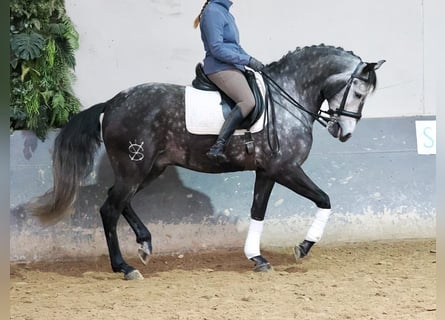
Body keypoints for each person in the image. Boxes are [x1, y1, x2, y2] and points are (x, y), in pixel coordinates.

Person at [193, 0, 264, 163]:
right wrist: (247, 60)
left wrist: (251, 60)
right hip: (219, 67)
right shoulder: (213, 12)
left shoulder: (226, 13)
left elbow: (235, 47)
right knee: (247, 101)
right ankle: (218, 146)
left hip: (232, 65)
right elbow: (216, 48)